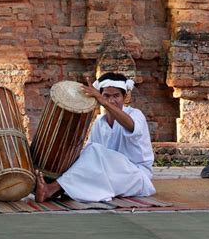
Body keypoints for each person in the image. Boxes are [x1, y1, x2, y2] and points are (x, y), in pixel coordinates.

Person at [35, 72, 156, 202]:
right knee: (87, 153)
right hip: (110, 175)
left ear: (125, 97)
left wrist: (103, 101)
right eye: (106, 96)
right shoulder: (99, 122)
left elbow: (131, 126)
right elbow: (89, 158)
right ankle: (56, 188)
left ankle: (51, 189)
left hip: (136, 176)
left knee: (94, 150)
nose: (111, 100)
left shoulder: (136, 115)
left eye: (116, 96)